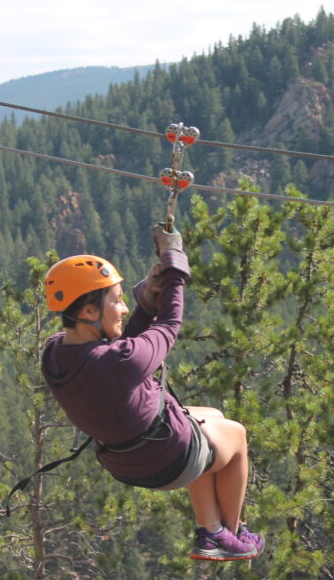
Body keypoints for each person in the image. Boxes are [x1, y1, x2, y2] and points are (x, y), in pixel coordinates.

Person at [40, 225, 263, 561]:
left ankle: (210, 527)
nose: (125, 308)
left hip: (124, 459)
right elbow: (169, 325)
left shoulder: (54, 353)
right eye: (117, 301)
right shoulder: (118, 361)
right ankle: (225, 535)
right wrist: (174, 265)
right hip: (165, 459)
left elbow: (119, 354)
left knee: (211, 418)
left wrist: (145, 303)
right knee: (237, 436)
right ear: (88, 312)